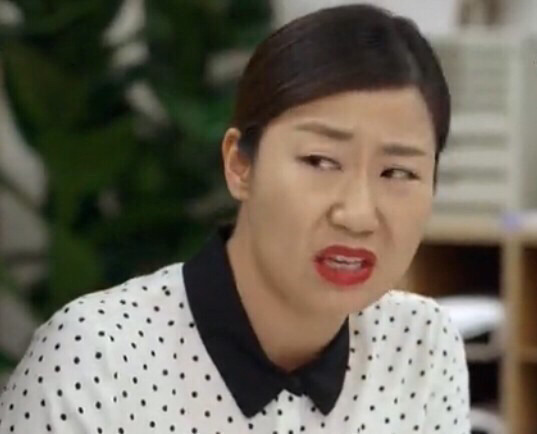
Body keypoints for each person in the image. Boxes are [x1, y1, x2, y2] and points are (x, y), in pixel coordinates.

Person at [0, 4, 470, 433]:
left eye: (398, 172)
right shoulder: (94, 358)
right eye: (321, 161)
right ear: (240, 165)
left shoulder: (420, 344)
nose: (358, 215)